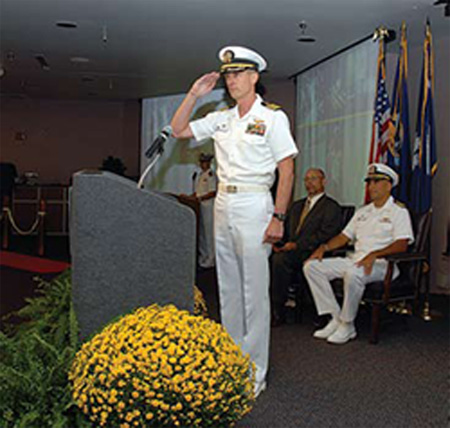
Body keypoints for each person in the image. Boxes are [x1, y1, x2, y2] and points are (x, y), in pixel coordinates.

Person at [170, 45, 298, 397]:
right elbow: (178, 129)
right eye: (228, 74)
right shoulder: (222, 116)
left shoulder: (272, 117)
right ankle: (232, 361)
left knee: (254, 291)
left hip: (256, 202)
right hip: (224, 201)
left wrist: (279, 217)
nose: (231, 79)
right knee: (227, 287)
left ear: (254, 77)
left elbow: (287, 169)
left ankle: (255, 372)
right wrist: (195, 95)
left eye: (238, 73)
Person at [303, 163, 414, 345]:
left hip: (383, 265)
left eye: (377, 181)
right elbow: (344, 237)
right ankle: (335, 317)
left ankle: (347, 325)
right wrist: (324, 248)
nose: (371, 186)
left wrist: (375, 254)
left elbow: (402, 245)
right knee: (312, 267)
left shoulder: (398, 211)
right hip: (357, 260)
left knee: (353, 273)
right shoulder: (363, 211)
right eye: (369, 182)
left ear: (389, 185)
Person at [270, 168, 342, 326]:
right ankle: (268, 306)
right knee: (268, 256)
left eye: (314, 179)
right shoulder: (296, 206)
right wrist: (278, 244)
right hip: (291, 251)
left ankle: (278, 311)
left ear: (324, 181)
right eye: (307, 179)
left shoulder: (331, 207)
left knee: (279, 261)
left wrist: (297, 245)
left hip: (313, 252)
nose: (309, 183)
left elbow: (326, 234)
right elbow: (286, 231)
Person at [194, 152, 217, 268]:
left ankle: (211, 259)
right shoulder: (199, 175)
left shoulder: (211, 175)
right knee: (202, 234)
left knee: (209, 234)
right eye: (202, 162)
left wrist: (200, 198)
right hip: (199, 207)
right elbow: (198, 192)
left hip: (208, 207)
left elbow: (213, 192)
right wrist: (191, 197)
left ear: (209, 163)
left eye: (206, 162)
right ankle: (203, 258)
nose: (203, 165)